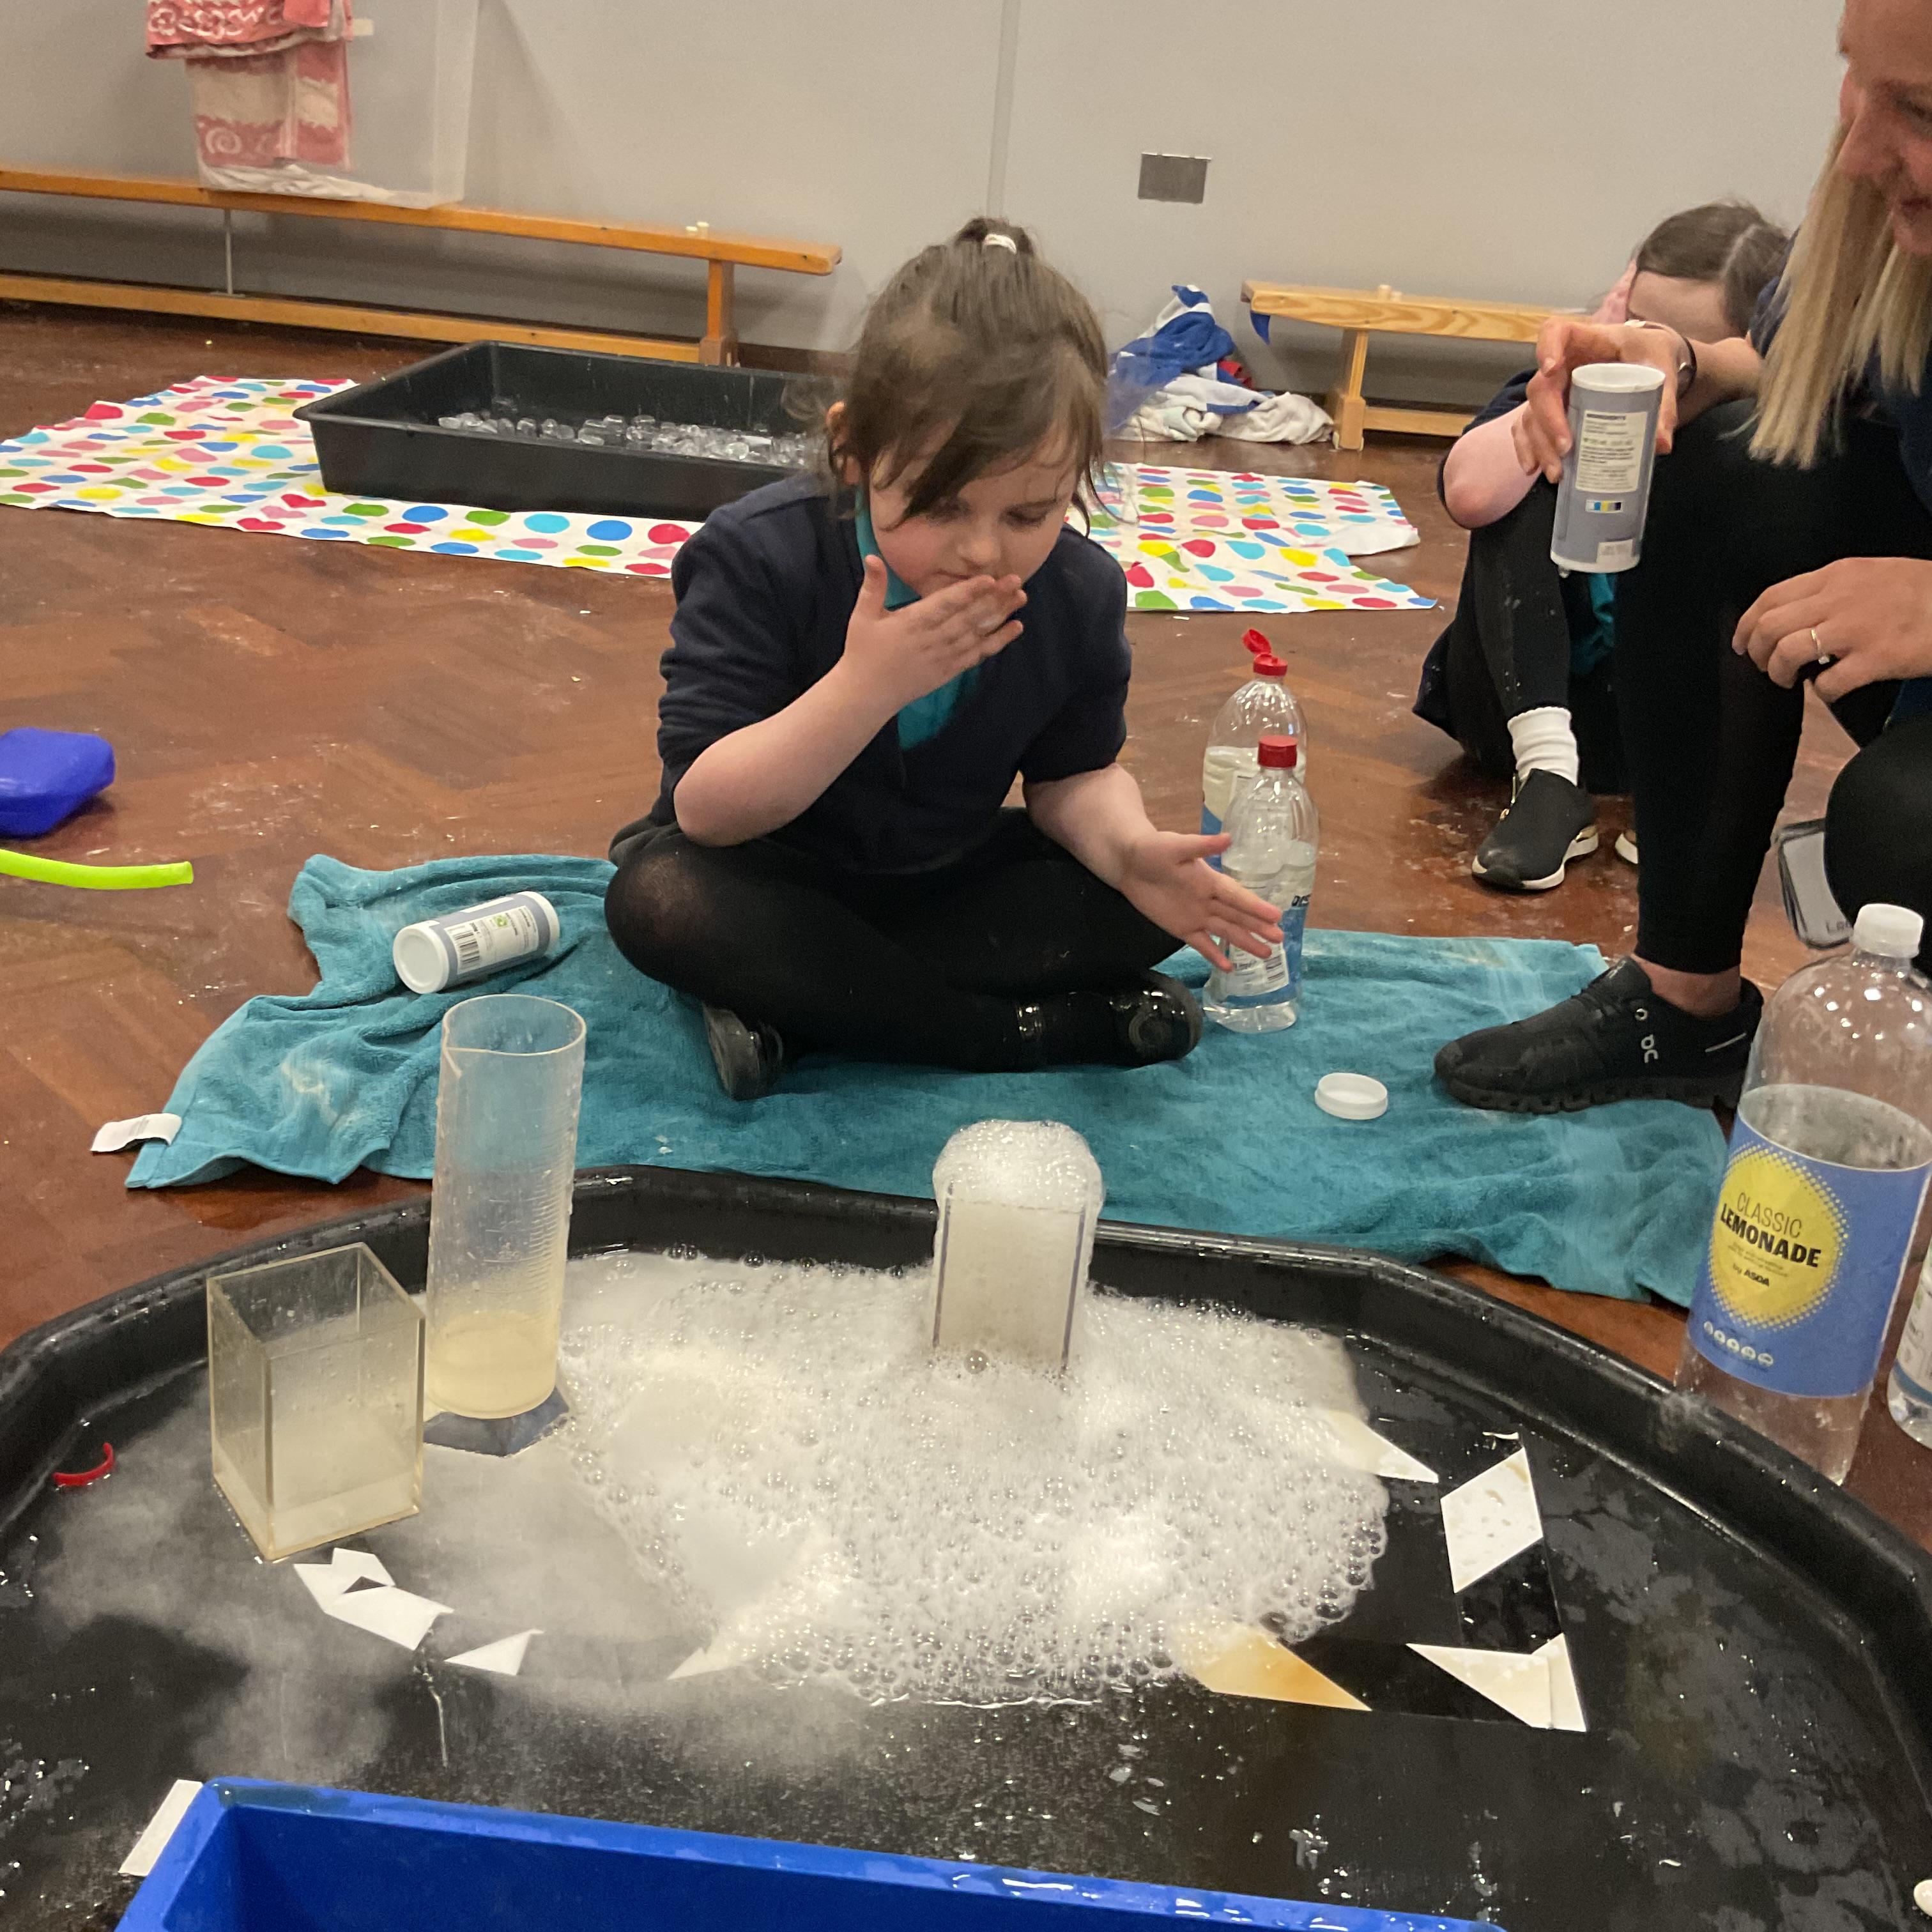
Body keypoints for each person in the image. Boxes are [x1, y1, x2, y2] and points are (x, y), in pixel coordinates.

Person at [604, 218, 1281, 1100]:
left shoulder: (1077, 592)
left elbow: (1072, 778)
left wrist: (1129, 851)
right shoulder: (759, 556)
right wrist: (866, 688)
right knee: (661, 902)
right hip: (769, 874)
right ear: (854, 452)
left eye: (1029, 514)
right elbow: (706, 811)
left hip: (938, 886)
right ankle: (1011, 1033)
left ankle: (811, 1017)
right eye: (943, 506)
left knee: (1148, 903)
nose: (984, 552)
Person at [1436, 0, 1932, 1113]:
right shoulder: (1885, 222)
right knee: (1712, 465)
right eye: (1858, 81)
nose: (1858, 152)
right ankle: (1682, 1003)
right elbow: (1806, 367)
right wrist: (1674, 360)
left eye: (1920, 111)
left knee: (1901, 830)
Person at [1415, 201, 1790, 891]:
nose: (1646, 358)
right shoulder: (1565, 387)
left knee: (1744, 485)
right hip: (1516, 717)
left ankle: (1684, 784)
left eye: (1673, 346)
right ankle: (1549, 776)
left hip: (1643, 732)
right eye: (1636, 328)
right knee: (1527, 470)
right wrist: (1566, 402)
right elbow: (1469, 494)